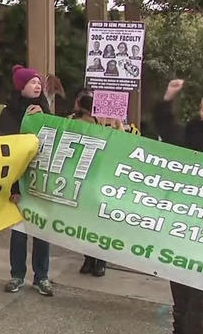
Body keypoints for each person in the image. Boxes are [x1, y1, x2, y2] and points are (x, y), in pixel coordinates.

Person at [154, 79, 203, 334]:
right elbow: (167, 128)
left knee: (200, 291)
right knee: (179, 283)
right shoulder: (190, 132)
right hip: (182, 219)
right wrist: (168, 96)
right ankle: (178, 328)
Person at [0, 65, 54, 297]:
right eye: (32, 82)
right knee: (19, 232)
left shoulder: (45, 110)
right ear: (20, 86)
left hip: (40, 182)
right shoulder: (9, 113)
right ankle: (17, 275)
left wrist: (43, 118)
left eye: (39, 82)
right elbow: (5, 149)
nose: (37, 85)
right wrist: (11, 186)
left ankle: (42, 277)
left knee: (41, 232)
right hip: (19, 184)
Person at [69, 93, 121, 277]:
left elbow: (121, 143)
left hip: (101, 176)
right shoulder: (75, 121)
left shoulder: (108, 120)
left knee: (97, 220)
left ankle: (99, 260)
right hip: (85, 177)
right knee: (87, 220)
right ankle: (90, 258)